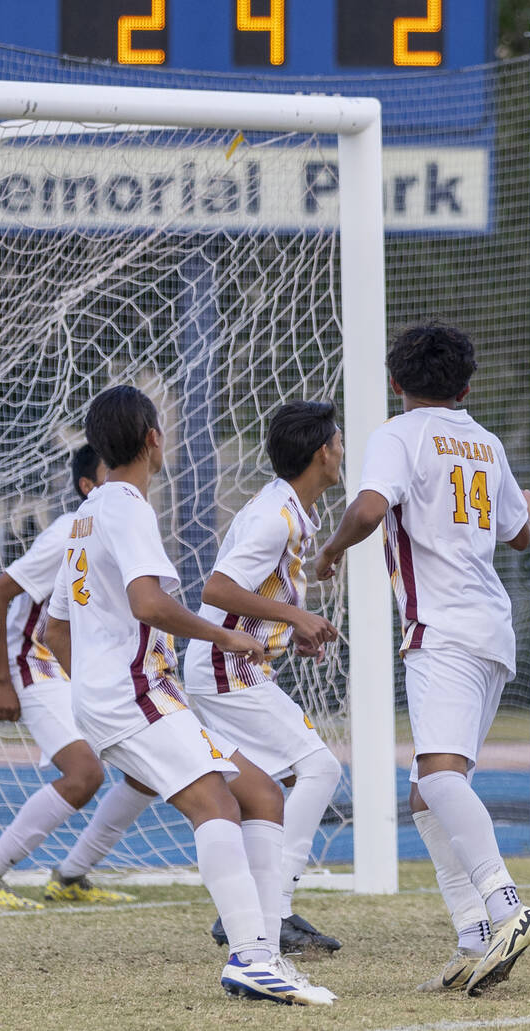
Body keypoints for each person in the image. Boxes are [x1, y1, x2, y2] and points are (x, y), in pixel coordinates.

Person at [43, 386, 334, 1006]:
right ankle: (252, 958)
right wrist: (226, 636)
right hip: (136, 693)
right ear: (154, 438)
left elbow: (54, 629)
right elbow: (151, 603)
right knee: (217, 807)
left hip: (121, 694)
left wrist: (93, 693)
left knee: (258, 794)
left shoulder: (87, 514)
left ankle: (264, 951)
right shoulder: (128, 508)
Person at [314, 322, 530, 996]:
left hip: (442, 628)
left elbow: (367, 506)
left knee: (440, 779)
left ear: (395, 381)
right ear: (467, 385)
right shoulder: (486, 440)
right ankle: (474, 932)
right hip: (492, 631)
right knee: (428, 792)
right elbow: (520, 536)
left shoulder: (399, 433)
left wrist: (330, 552)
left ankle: (507, 907)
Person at [0, 444, 154, 911]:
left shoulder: (125, 527)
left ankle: (70, 876)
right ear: (89, 486)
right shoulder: (71, 529)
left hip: (82, 671)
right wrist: (2, 680)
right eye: (113, 472)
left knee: (149, 769)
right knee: (85, 773)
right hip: (36, 665)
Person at [183, 399, 344, 958]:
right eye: (339, 442)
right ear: (323, 452)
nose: (343, 451)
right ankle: (271, 906)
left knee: (273, 790)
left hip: (238, 665)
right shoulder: (276, 516)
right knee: (318, 768)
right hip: (224, 669)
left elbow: (258, 592)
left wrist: (286, 628)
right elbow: (217, 590)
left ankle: (255, 908)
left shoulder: (290, 509)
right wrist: (298, 616)